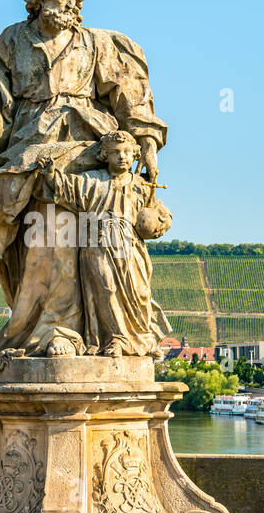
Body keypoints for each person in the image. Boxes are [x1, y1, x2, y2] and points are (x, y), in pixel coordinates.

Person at [0, 0, 169, 357]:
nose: (69, 7)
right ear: (37, 1)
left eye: (74, 0)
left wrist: (149, 144)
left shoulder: (95, 43)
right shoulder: (12, 41)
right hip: (32, 148)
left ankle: (106, 332)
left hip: (88, 144)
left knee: (96, 239)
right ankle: (53, 328)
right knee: (47, 236)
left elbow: (128, 94)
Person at [35, 131, 172, 357]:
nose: (122, 157)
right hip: (98, 244)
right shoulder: (93, 180)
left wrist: (160, 221)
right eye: (116, 152)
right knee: (106, 290)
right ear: (104, 155)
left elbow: (161, 215)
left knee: (139, 292)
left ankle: (142, 339)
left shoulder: (141, 185)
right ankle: (115, 339)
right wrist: (51, 174)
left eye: (128, 152)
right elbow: (67, 188)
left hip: (131, 248)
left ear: (135, 155)